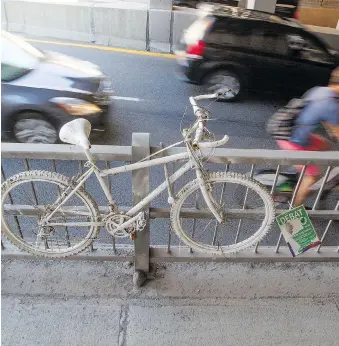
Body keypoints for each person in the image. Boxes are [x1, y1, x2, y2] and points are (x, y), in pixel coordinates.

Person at [277, 67, 339, 206]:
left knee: (326, 145)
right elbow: (336, 131)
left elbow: (318, 116)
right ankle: (295, 207)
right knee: (312, 176)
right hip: (293, 141)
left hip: (292, 132)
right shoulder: (330, 104)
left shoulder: (319, 90)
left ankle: (294, 173)